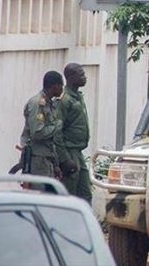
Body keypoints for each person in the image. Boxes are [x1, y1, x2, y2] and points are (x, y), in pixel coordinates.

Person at [55, 63, 92, 203]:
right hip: (69, 152)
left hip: (78, 152)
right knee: (69, 195)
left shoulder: (77, 96)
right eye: (81, 75)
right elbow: (57, 132)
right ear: (71, 78)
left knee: (85, 193)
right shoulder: (64, 100)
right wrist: (64, 159)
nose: (84, 77)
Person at [20, 71, 64, 179]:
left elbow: (50, 140)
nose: (62, 89)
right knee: (39, 189)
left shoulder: (49, 103)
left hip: (47, 159)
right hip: (37, 159)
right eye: (61, 86)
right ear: (54, 86)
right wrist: (57, 126)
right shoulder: (37, 104)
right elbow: (38, 133)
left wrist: (55, 164)